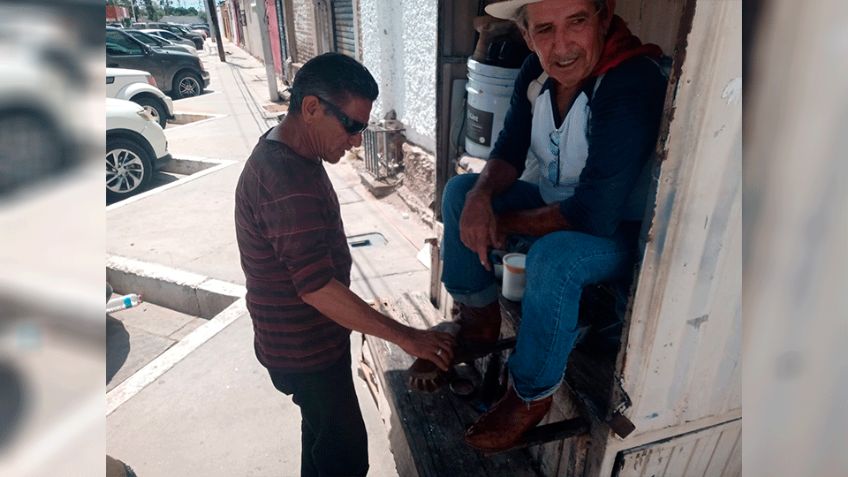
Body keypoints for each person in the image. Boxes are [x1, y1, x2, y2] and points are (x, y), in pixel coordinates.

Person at [408, 0, 668, 452]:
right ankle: (478, 320)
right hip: (557, 203)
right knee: (458, 193)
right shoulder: (535, 72)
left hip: (620, 231)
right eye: (545, 29)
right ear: (527, 37)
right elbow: (507, 153)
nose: (561, 45)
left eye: (577, 22)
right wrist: (480, 198)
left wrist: (500, 221)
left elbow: (594, 214)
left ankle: (530, 394)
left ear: (604, 20)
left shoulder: (630, 80)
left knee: (555, 258)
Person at [234, 52, 456, 476]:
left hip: (306, 342)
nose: (356, 141)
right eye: (352, 126)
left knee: (321, 438)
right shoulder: (285, 181)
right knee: (345, 457)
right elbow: (316, 287)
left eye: (363, 128)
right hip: (304, 352)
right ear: (312, 108)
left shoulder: (288, 151)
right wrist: (409, 338)